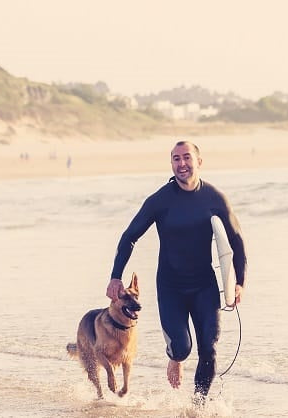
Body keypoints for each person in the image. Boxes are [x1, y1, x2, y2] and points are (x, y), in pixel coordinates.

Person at [106, 140, 247, 401]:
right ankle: (176, 357)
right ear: (171, 163)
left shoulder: (214, 198)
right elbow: (129, 237)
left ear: (199, 162)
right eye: (176, 159)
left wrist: (239, 282)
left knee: (209, 347)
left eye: (186, 158)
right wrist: (116, 275)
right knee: (182, 347)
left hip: (204, 285)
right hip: (171, 287)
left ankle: (199, 404)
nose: (181, 164)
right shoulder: (160, 201)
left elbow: (236, 240)